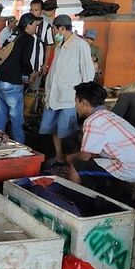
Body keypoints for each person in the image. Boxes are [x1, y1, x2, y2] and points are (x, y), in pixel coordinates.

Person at [67, 82, 135, 189]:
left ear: (84, 103)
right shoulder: (110, 116)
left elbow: (85, 157)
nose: (75, 106)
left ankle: (73, 197)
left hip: (132, 171)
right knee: (91, 162)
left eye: (76, 102)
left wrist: (72, 157)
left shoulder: (92, 121)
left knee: (76, 166)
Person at [40, 14, 95, 164]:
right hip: (54, 95)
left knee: (67, 132)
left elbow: (88, 74)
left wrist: (84, 98)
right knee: (54, 129)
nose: (54, 32)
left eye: (55, 29)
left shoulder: (81, 45)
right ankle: (58, 157)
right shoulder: (59, 46)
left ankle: (71, 161)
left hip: (69, 98)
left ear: (62, 29)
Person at [0, 13, 42, 144]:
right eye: (34, 25)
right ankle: (20, 148)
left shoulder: (13, 36)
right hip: (12, 83)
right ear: (27, 26)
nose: (36, 28)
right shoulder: (28, 38)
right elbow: (24, 60)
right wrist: (30, 72)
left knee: (1, 116)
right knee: (16, 118)